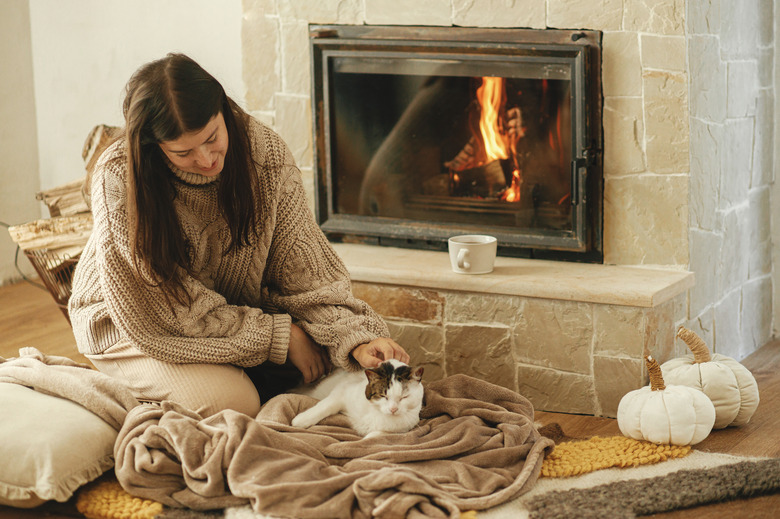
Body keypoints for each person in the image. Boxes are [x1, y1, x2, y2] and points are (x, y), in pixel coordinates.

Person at [68, 53, 409, 417]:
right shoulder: (118, 176)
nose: (206, 159)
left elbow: (305, 270)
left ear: (223, 110)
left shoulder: (265, 153)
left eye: (212, 137)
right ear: (155, 145)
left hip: (226, 316)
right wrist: (279, 336)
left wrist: (357, 337)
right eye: (183, 152)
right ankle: (98, 390)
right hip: (133, 325)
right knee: (234, 403)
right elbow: (165, 312)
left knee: (344, 372)